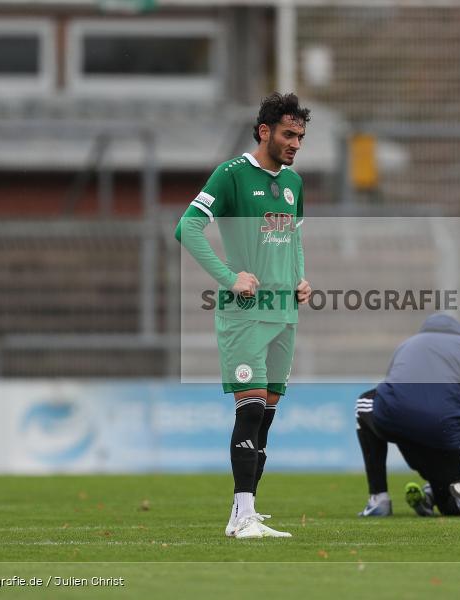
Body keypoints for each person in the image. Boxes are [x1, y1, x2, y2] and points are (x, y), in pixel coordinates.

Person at [175, 92, 312, 539]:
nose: (295, 143)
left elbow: (292, 241)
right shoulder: (232, 175)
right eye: (289, 134)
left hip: (283, 314)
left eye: (301, 136)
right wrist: (229, 275)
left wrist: (300, 278)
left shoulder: (293, 184)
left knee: (266, 415)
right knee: (250, 411)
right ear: (264, 131)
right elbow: (187, 228)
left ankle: (245, 512)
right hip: (246, 315)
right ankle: (242, 513)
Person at [355, 313, 460, 518]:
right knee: (448, 495)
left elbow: (392, 390)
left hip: (396, 419)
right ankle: (449, 489)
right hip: (442, 428)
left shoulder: (409, 343)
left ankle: (379, 499)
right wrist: (459, 455)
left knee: (363, 403)